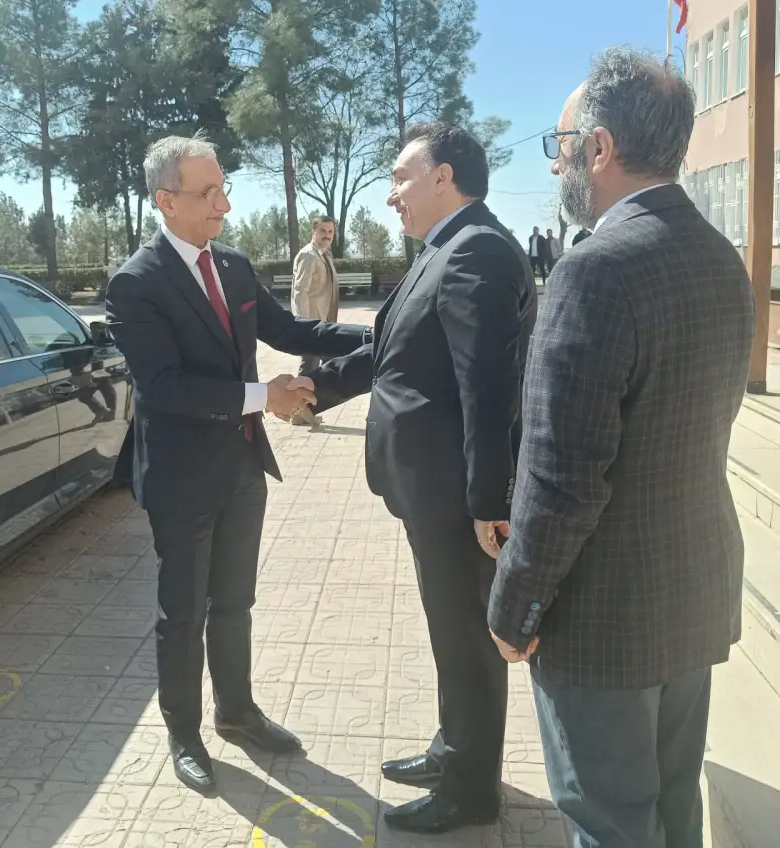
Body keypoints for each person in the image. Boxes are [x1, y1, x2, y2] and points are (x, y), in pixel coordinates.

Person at [488, 48, 755, 848]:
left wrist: (513, 604)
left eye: (562, 143)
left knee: (611, 824)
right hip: (691, 592)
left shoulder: (594, 271)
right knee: (673, 811)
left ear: (599, 148)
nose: (557, 162)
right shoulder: (721, 258)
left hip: (603, 619)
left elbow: (563, 480)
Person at [104, 134, 370, 794]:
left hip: (242, 468)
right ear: (166, 201)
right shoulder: (136, 283)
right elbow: (164, 387)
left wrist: (385, 332)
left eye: (224, 188)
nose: (223, 203)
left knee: (235, 603)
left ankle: (238, 713)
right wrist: (263, 396)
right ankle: (184, 732)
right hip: (182, 479)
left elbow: (293, 332)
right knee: (182, 612)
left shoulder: (233, 265)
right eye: (208, 193)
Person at [308, 122, 537, 835]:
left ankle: (472, 789)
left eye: (401, 177)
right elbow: (394, 351)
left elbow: (487, 391)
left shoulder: (479, 252)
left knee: (467, 635)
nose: (391, 195)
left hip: (456, 498)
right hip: (429, 491)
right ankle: (453, 746)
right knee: (450, 629)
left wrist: (488, 501)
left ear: (444, 178)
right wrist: (316, 388)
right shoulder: (445, 247)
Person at [289, 215, 339, 427]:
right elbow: (300, 292)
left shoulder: (323, 254)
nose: (327, 235)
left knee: (315, 366)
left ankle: (303, 410)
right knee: (309, 365)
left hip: (323, 322)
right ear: (313, 232)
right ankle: (297, 411)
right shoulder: (309, 255)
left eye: (330, 232)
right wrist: (305, 325)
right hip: (312, 323)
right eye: (323, 231)